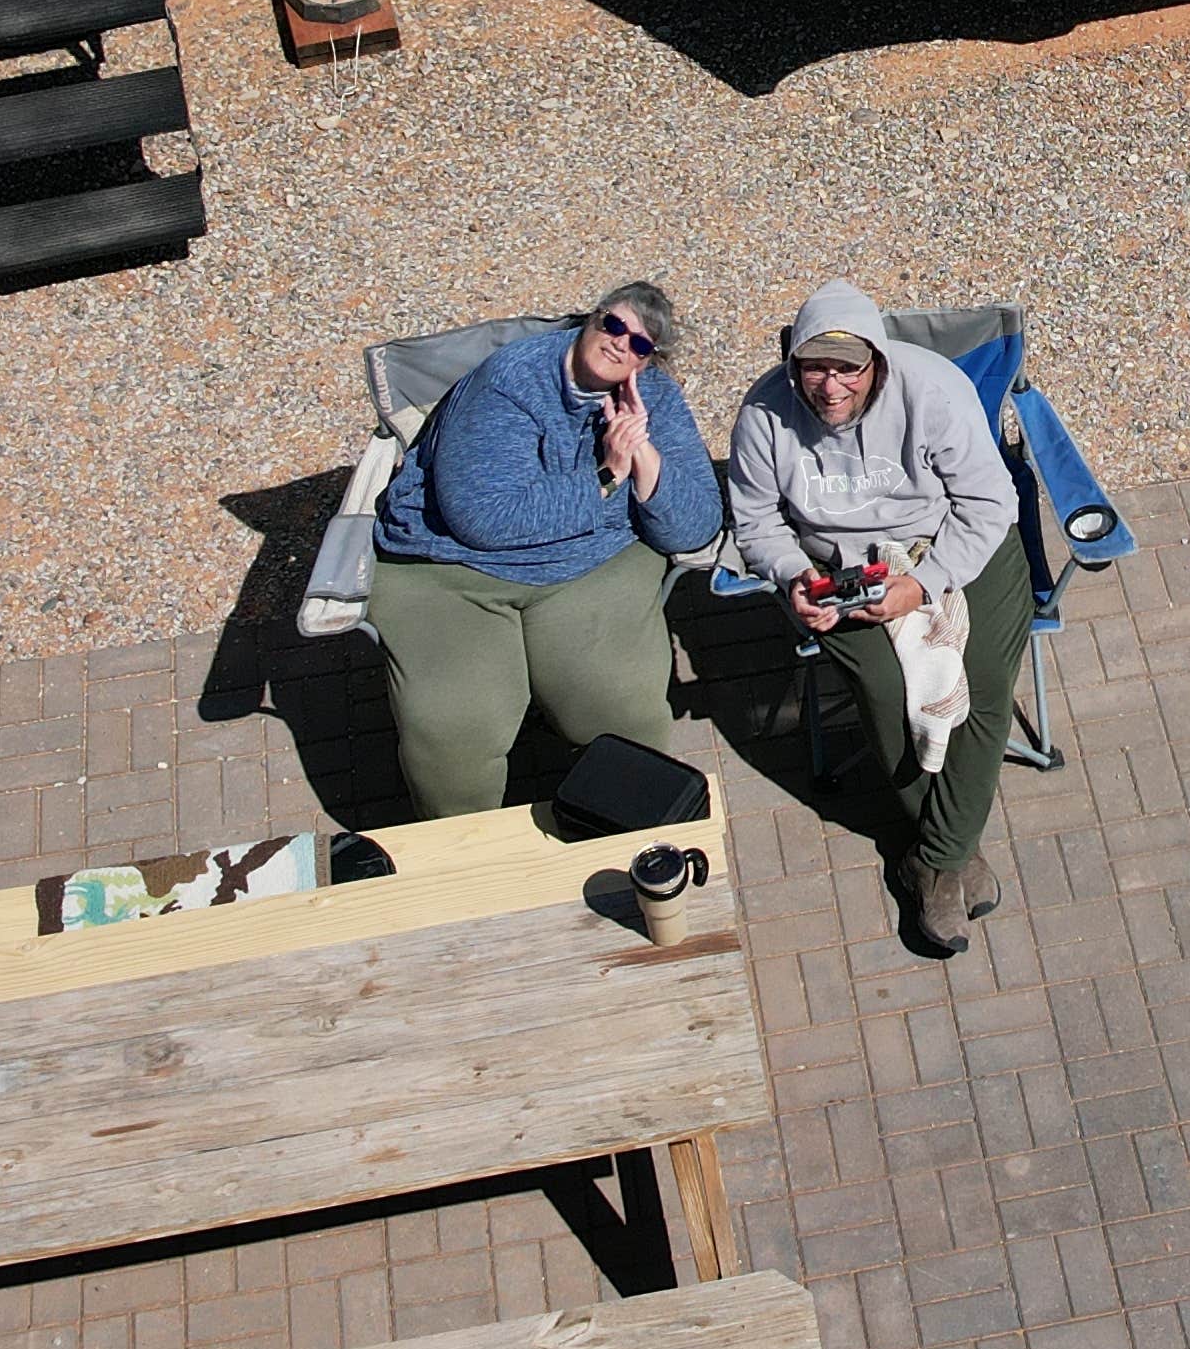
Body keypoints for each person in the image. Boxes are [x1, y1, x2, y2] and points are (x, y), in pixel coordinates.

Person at [725, 281, 1029, 958]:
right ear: (791, 362)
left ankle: (935, 862)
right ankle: (954, 858)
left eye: (847, 369)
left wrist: (922, 586)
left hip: (955, 547)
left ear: (876, 364)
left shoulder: (934, 391)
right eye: (813, 367)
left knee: (980, 686)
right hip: (843, 568)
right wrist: (791, 575)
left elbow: (988, 502)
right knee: (890, 697)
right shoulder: (764, 416)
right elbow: (755, 521)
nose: (830, 387)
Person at [371, 281, 719, 819]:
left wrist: (642, 452)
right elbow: (482, 519)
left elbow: (694, 528)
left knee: (626, 709)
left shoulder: (657, 399)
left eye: (641, 345)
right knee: (458, 726)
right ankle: (466, 864)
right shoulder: (511, 382)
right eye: (613, 324)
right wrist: (606, 479)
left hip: (587, 567)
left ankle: (623, 835)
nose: (620, 343)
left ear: (650, 362)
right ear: (591, 318)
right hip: (453, 568)